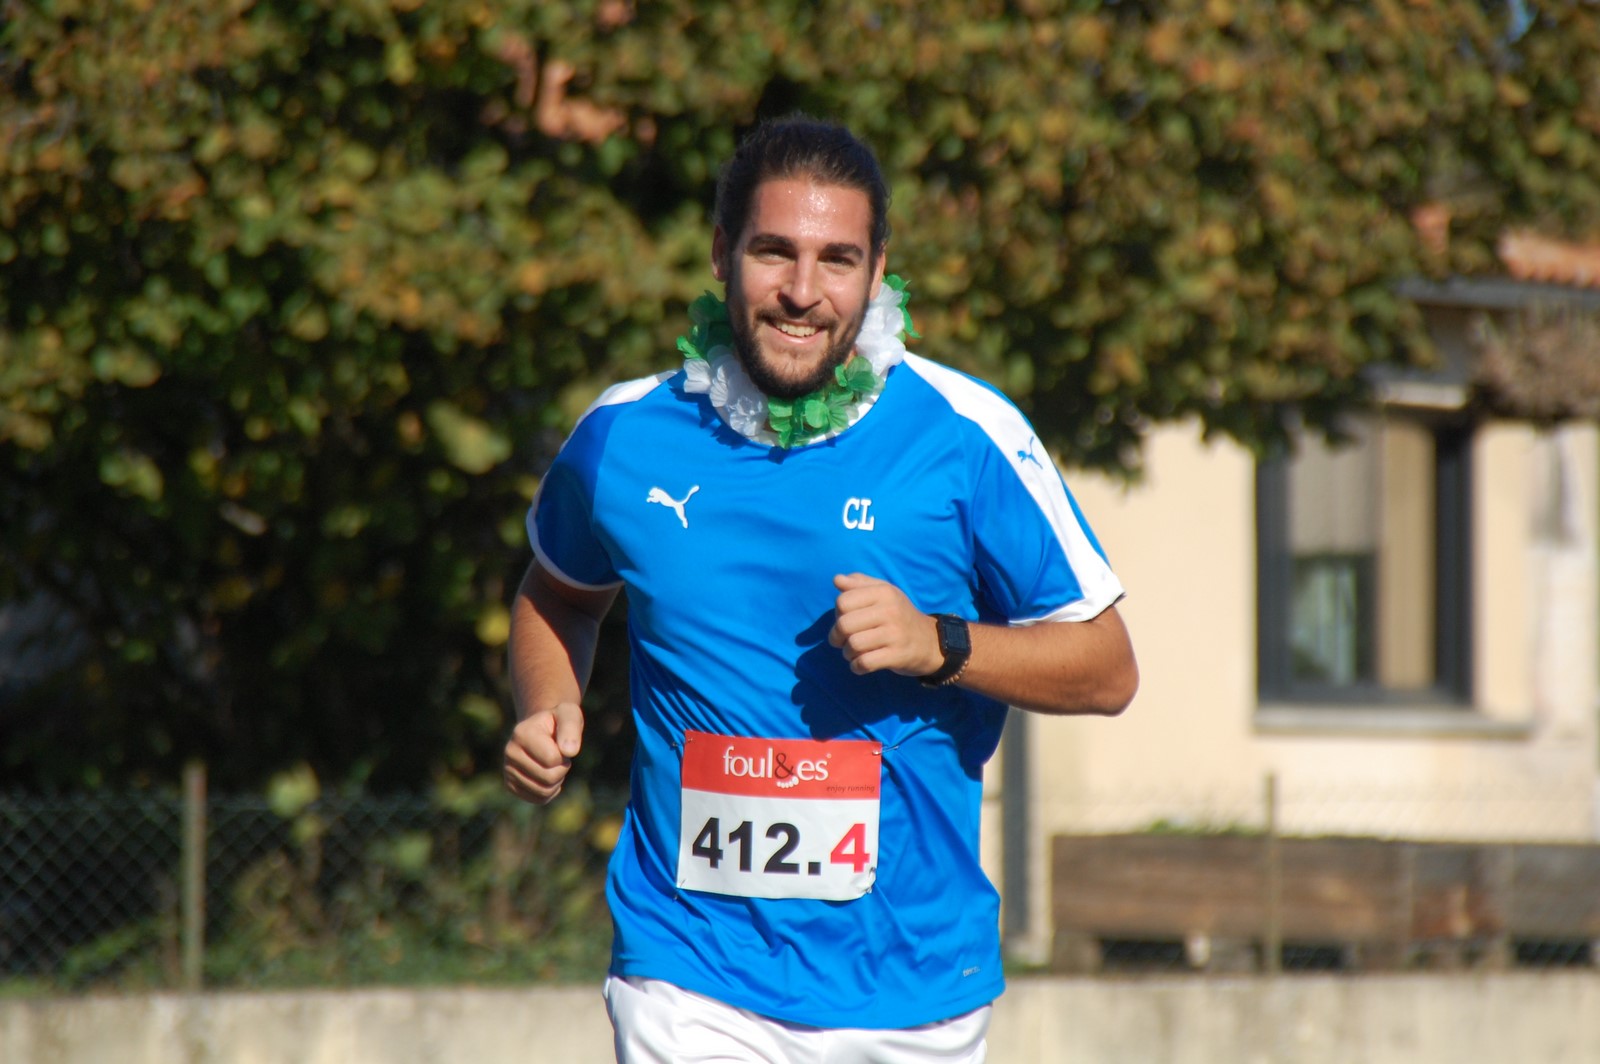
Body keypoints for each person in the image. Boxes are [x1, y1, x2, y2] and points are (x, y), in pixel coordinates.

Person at [503, 115, 1137, 1063]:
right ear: (722, 253)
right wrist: (546, 703)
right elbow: (559, 593)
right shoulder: (623, 435)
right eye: (774, 252)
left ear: (878, 272)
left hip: (910, 986)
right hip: (688, 972)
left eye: (837, 259)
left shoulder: (964, 434)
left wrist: (939, 643)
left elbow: (1107, 668)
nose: (803, 292)